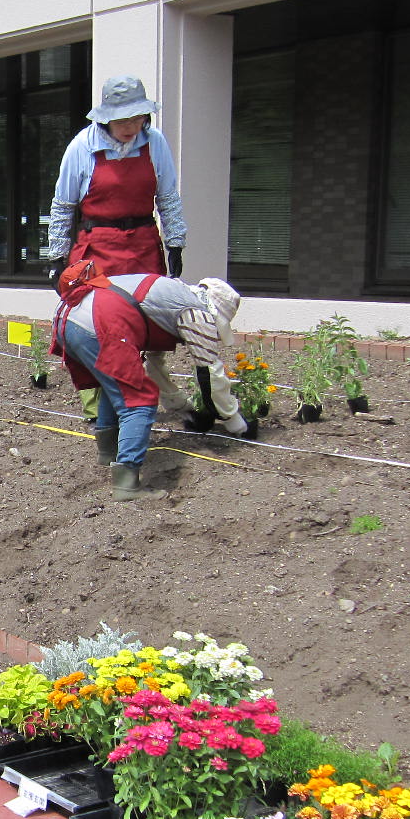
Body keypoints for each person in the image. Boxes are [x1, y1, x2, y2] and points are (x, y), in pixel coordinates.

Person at [48, 75, 191, 419]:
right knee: (96, 323)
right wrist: (56, 255)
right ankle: (99, 407)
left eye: (136, 117)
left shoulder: (155, 143)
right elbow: (63, 205)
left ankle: (144, 391)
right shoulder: (81, 147)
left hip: (142, 244)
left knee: (146, 321)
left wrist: (175, 242)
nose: (130, 126)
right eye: (122, 118)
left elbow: (168, 197)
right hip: (98, 249)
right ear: (105, 117)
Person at [54, 262, 252, 502]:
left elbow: (154, 367)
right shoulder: (196, 314)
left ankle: (109, 454)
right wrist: (235, 421)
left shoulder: (170, 297)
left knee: (116, 384)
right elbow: (210, 374)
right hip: (100, 323)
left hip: (68, 319)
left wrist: (184, 409)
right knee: (138, 401)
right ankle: (127, 485)